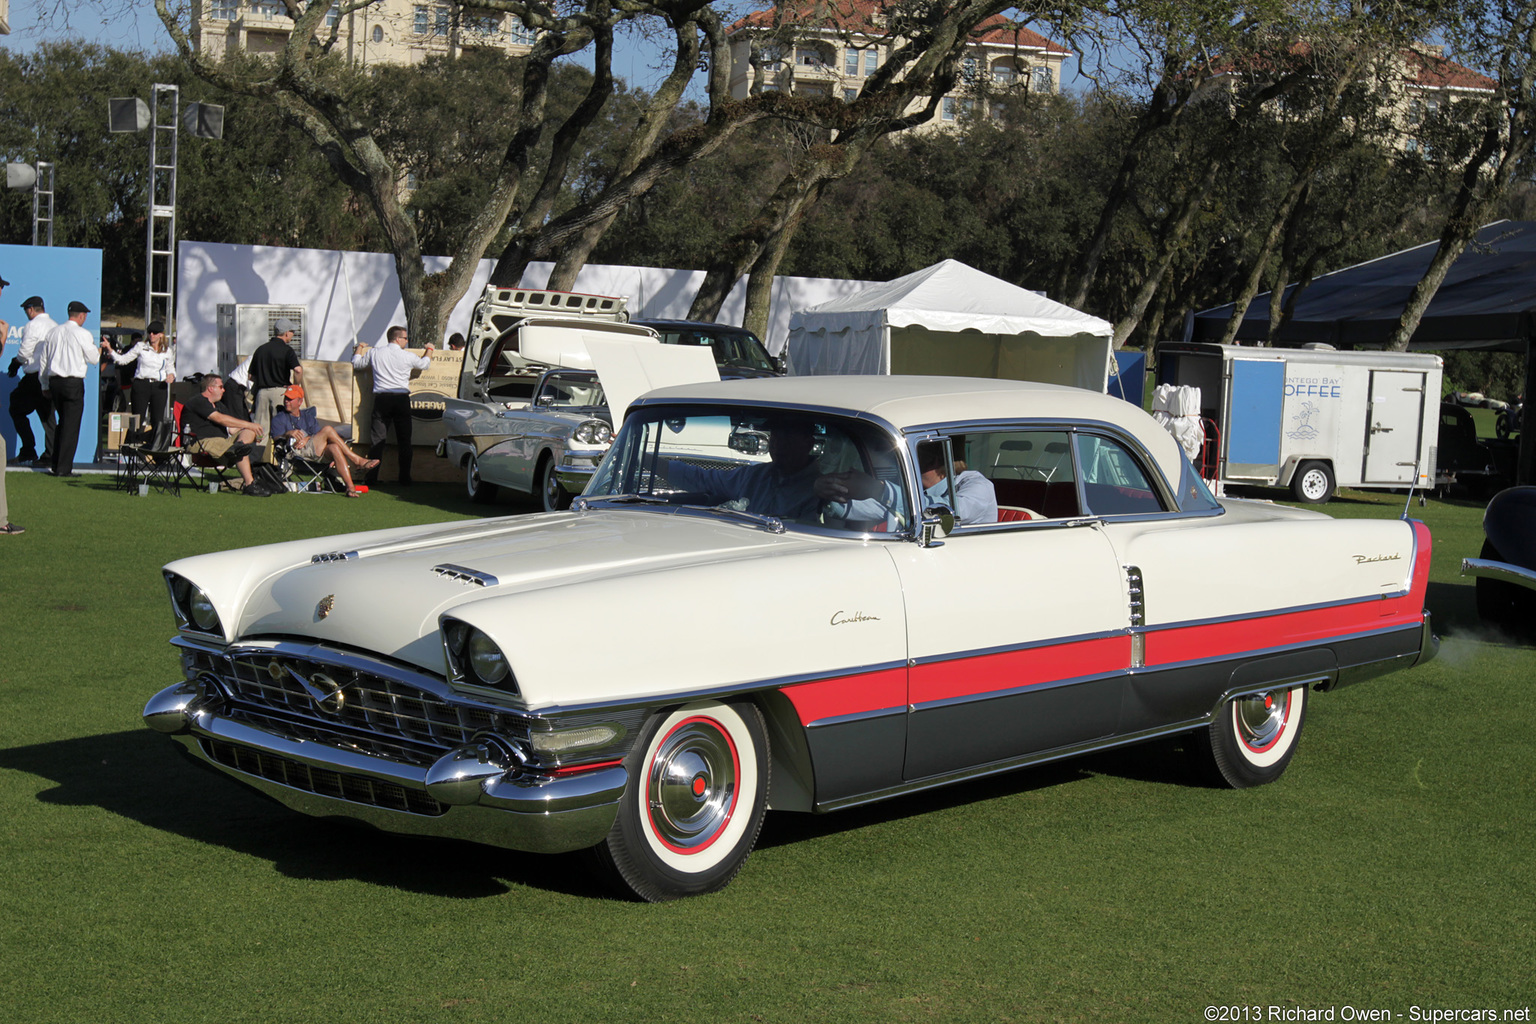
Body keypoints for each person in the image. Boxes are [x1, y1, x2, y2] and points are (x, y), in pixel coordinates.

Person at [662, 418, 827, 519]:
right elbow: (702, 479)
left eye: (787, 437)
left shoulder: (825, 490)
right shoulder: (755, 476)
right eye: (775, 436)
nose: (778, 445)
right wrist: (649, 462)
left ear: (808, 443)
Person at [352, 325, 432, 487]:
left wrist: (360, 347)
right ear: (397, 339)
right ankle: (404, 478)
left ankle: (371, 478)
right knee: (404, 440)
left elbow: (357, 364)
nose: (406, 341)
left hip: (382, 399)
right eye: (405, 338)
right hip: (401, 399)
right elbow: (425, 365)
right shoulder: (406, 356)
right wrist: (429, 349)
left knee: (377, 441)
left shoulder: (375, 353)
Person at [270, 384, 378, 497]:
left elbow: (318, 436)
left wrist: (307, 439)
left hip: (313, 450)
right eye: (286, 398)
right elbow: (277, 439)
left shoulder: (308, 417)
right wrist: (288, 434)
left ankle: (350, 488)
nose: (287, 401)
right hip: (295, 452)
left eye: (291, 399)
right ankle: (357, 460)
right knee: (327, 429)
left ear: (300, 401)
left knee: (334, 448)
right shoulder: (279, 418)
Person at [38, 300, 99, 477]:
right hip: (73, 382)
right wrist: (99, 351)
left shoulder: (53, 332)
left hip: (55, 381)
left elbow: (44, 360)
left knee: (61, 423)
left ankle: (56, 464)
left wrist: (44, 384)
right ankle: (63, 469)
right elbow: (93, 358)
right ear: (82, 316)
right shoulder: (83, 334)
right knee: (70, 426)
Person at [183, 374, 270, 495]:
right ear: (210, 388)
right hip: (201, 442)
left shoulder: (219, 405)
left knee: (247, 432)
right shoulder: (198, 401)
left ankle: (239, 446)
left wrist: (254, 431)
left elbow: (232, 429)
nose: (224, 390)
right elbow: (219, 419)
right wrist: (249, 424)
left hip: (222, 442)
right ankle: (250, 484)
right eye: (221, 387)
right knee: (243, 442)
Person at [7, 295, 58, 465]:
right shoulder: (54, 326)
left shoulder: (33, 325)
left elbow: (25, 351)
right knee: (48, 418)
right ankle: (50, 454)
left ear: (30, 309)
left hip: (34, 376)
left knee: (16, 407)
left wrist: (15, 363)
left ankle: (28, 449)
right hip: (49, 376)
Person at [100, 320, 175, 429]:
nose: (152, 335)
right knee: (137, 418)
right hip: (142, 384)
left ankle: (155, 443)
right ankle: (134, 441)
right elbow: (123, 360)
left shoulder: (167, 351)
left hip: (159, 385)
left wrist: (171, 375)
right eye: (150, 332)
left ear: (161, 335)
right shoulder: (141, 346)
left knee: (157, 419)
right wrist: (110, 349)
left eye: (155, 333)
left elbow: (170, 366)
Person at [248, 317, 303, 433]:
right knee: (281, 429)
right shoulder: (287, 350)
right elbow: (298, 370)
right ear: (287, 333)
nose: (293, 334)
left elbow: (250, 376)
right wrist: (295, 386)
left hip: (261, 393)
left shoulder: (260, 349)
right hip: (280, 393)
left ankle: (260, 450)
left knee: (260, 430)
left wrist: (264, 379)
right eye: (292, 332)